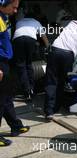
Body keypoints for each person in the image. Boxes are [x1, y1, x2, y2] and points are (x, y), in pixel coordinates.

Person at [0, 0, 30, 147]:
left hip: (4, 62)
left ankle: (16, 125)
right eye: (14, 7)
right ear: (3, 4)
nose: (16, 11)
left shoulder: (3, 17)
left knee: (6, 97)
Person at [13, 14, 49, 100]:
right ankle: (32, 89)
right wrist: (48, 47)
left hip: (18, 40)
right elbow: (43, 36)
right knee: (29, 64)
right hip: (30, 40)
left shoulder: (19, 21)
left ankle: (27, 92)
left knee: (21, 65)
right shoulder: (36, 22)